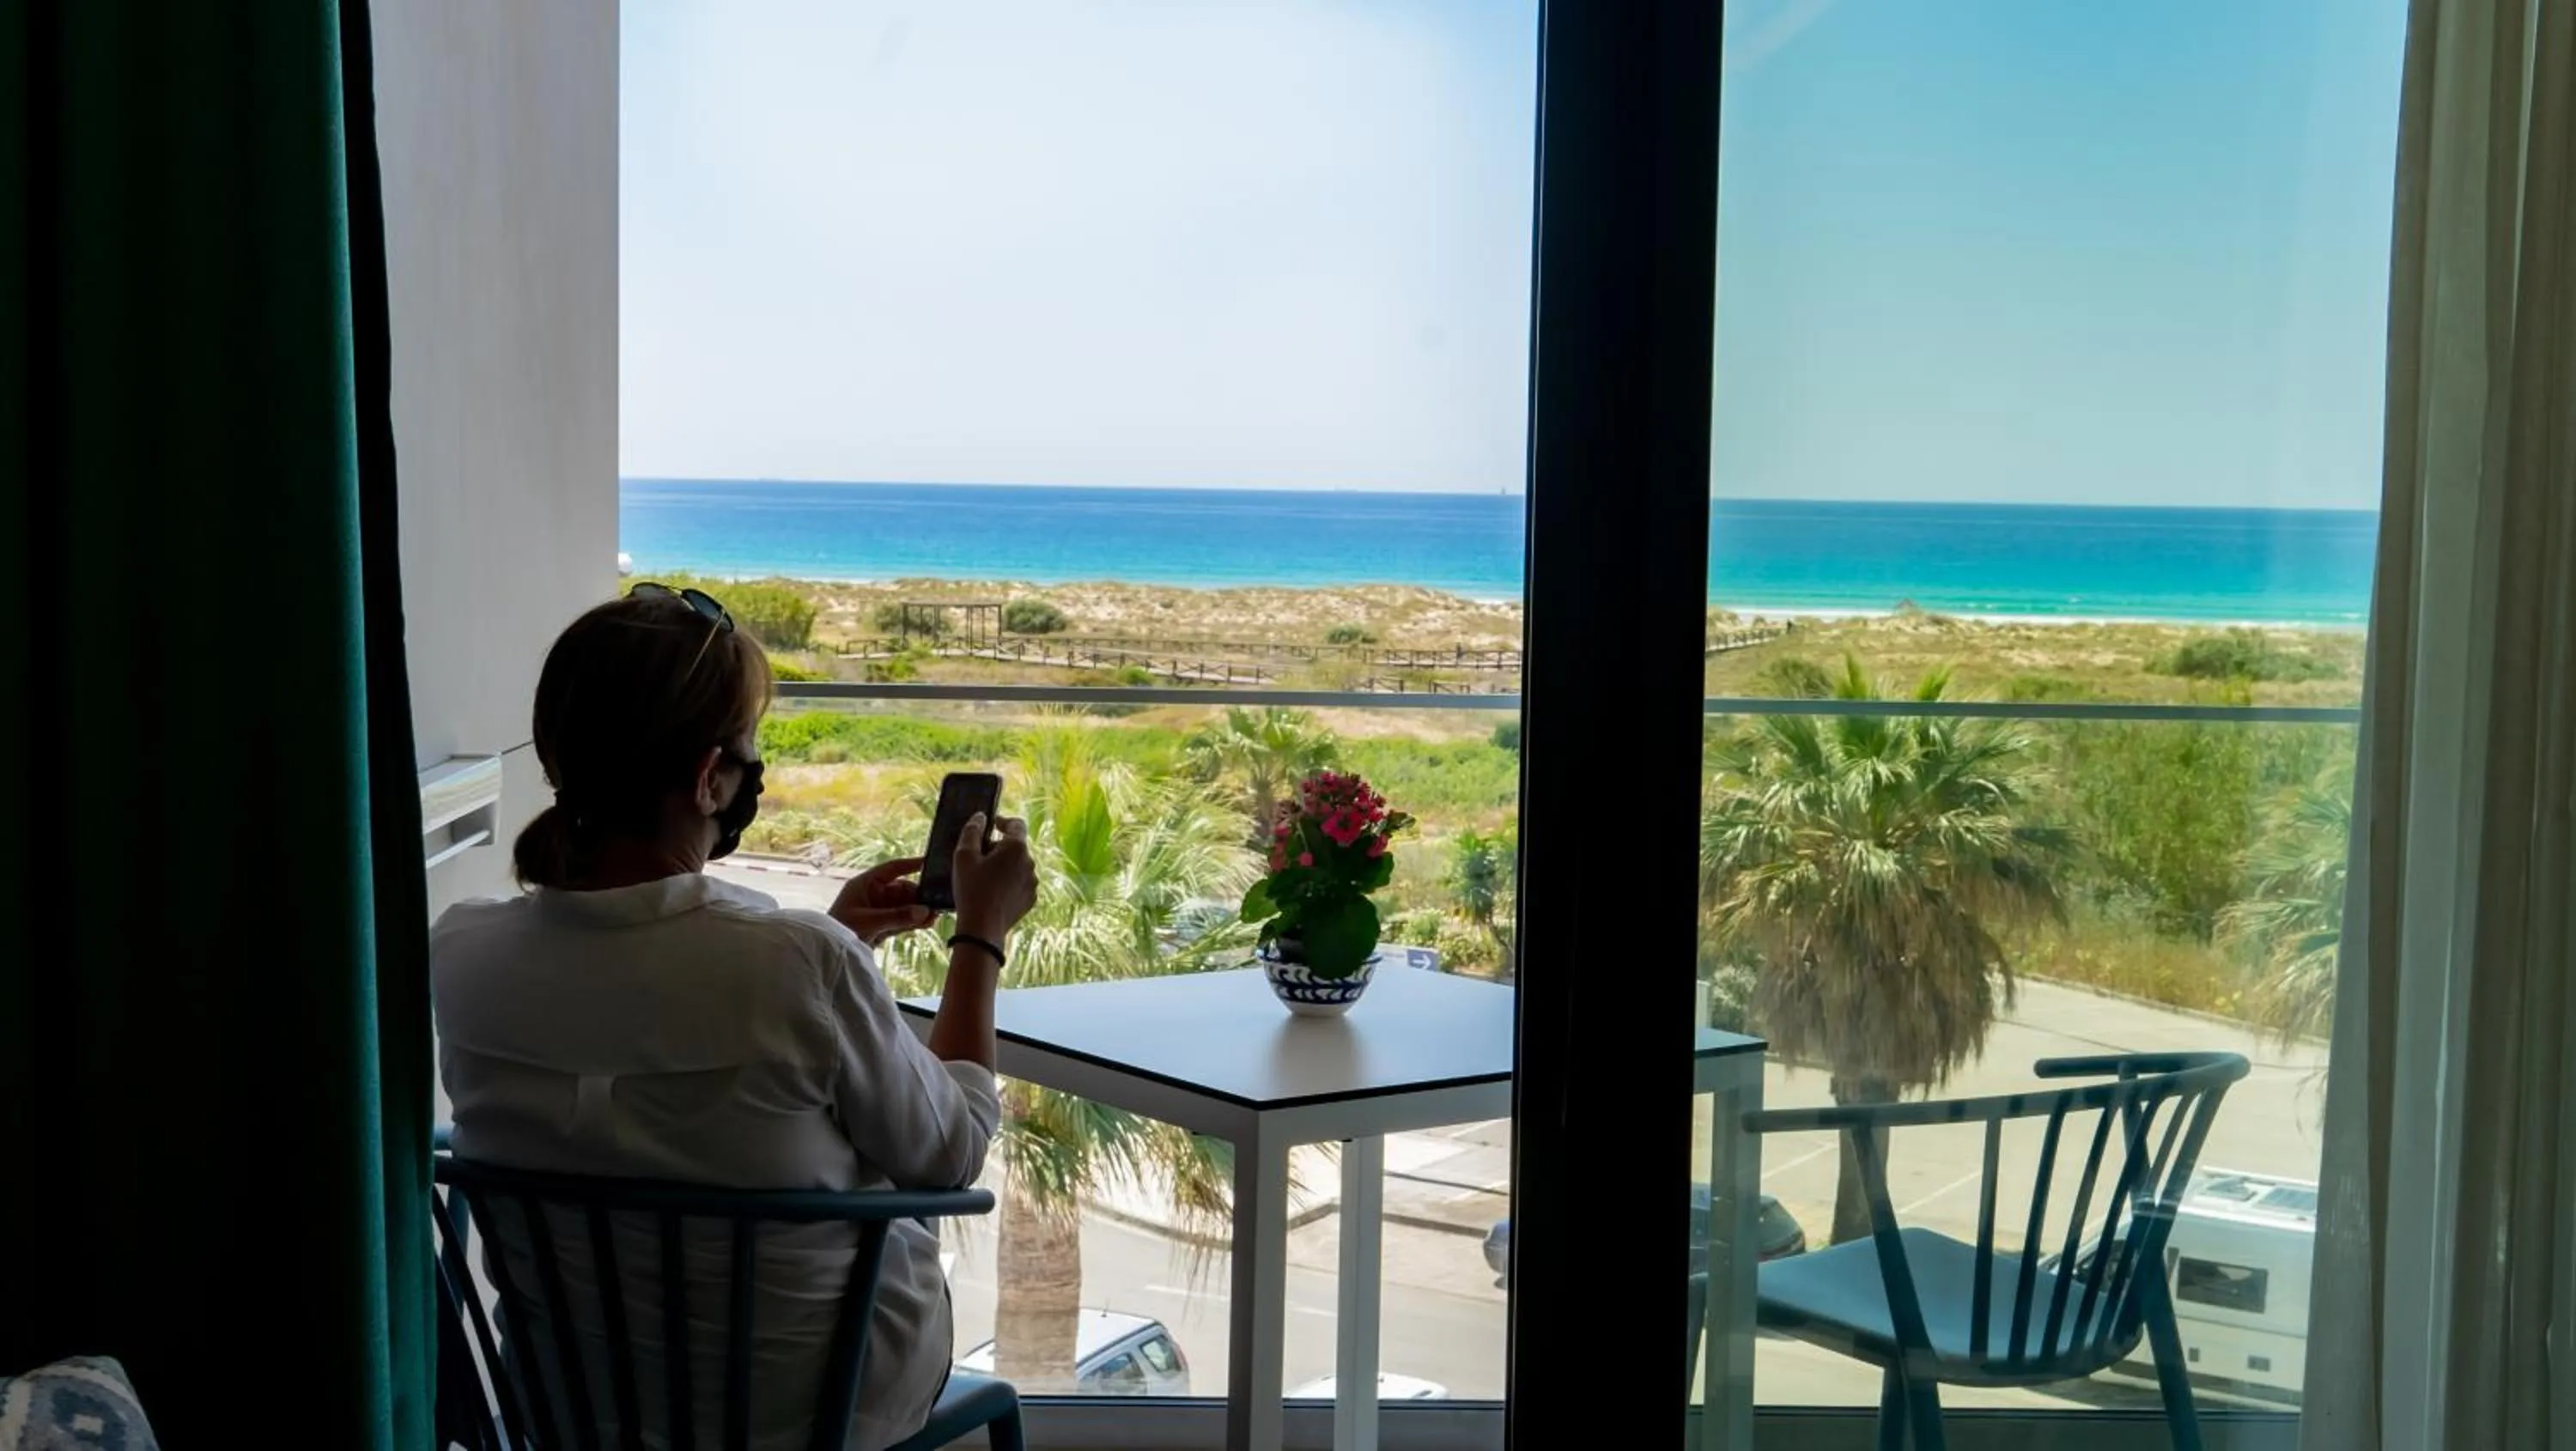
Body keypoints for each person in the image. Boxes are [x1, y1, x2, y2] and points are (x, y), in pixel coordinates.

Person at [432, 584, 1036, 1451]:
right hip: (805, 1414)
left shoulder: (463, 952)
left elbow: (643, 1001)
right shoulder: (796, 963)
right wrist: (981, 936)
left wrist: (830, 947)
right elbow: (953, 1146)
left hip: (572, 1407)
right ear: (709, 777)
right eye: (747, 750)